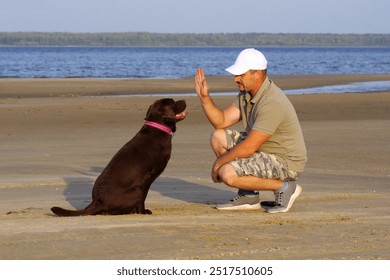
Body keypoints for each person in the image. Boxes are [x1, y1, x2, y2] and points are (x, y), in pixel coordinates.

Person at [194, 48, 307, 213]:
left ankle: (285, 188)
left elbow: (249, 148)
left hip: (286, 162)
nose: (235, 79)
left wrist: (219, 163)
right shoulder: (246, 94)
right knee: (218, 137)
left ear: (257, 74)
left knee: (227, 173)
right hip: (265, 150)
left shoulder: (272, 102)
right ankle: (248, 195)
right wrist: (205, 98)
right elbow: (222, 121)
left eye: (241, 74)